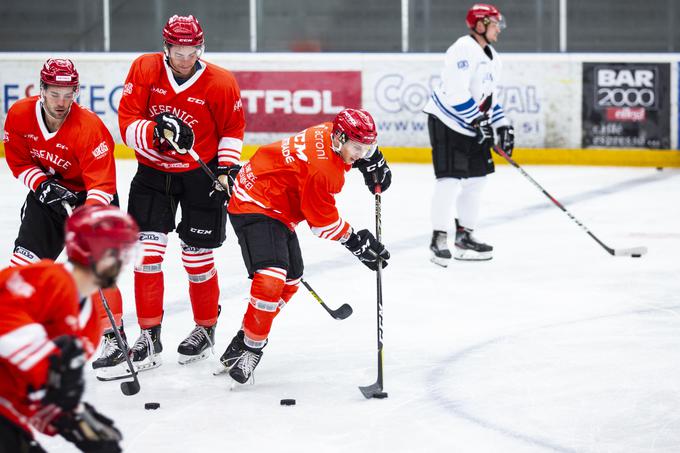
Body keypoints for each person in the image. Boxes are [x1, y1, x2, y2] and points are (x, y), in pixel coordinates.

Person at [216, 108, 391, 385]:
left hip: (273, 200)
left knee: (291, 280)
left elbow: (337, 155)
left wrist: (371, 159)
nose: (361, 153)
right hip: (256, 203)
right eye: (358, 148)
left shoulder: (328, 131)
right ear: (340, 138)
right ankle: (252, 348)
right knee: (272, 278)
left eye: (367, 148)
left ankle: (244, 337)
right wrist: (357, 242)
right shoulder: (324, 171)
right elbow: (322, 224)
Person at [117, 14, 245, 372]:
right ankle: (149, 334)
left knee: (197, 257)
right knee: (147, 254)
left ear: (200, 48)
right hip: (153, 175)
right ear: (166, 48)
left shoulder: (220, 82)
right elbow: (127, 122)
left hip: (199, 177)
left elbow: (233, 128)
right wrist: (157, 133)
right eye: (178, 50)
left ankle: (205, 328)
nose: (185, 58)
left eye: (192, 51)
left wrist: (226, 170)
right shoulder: (144, 69)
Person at [2, 58, 129, 380]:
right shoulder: (19, 115)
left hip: (92, 199)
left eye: (68, 93)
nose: (61, 102)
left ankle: (115, 340)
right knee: (24, 265)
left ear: (76, 92)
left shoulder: (89, 128)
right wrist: (42, 185)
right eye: (55, 93)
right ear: (41, 90)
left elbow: (103, 184)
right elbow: (17, 160)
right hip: (48, 197)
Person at [0, 205, 138, 453]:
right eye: (119, 252)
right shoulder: (42, 278)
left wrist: (70, 420)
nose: (124, 261)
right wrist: (46, 358)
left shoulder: (89, 327)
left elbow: (39, 393)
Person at [423, 3, 515, 265]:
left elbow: (488, 99)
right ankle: (438, 239)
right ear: (480, 24)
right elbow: (455, 91)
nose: (499, 29)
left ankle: (465, 238)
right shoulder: (463, 48)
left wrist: (502, 125)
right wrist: (477, 120)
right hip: (447, 122)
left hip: (470, 124)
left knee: (477, 180)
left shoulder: (493, 58)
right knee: (449, 181)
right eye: (495, 24)